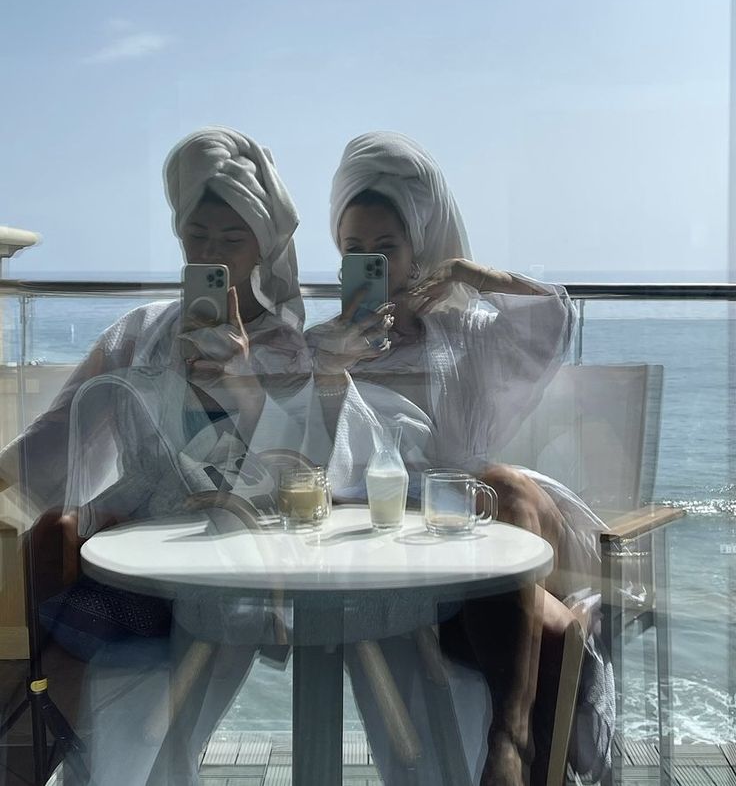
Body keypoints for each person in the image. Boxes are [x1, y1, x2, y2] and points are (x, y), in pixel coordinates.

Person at [0, 126, 314, 785]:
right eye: (198, 236)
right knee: (48, 579)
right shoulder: (140, 332)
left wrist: (243, 385)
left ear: (265, 248)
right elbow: (59, 432)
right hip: (128, 551)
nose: (212, 252)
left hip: (226, 566)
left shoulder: (288, 354)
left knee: (58, 673)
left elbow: (296, 474)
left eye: (232, 239)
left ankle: (34, 757)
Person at [306, 131, 613, 786]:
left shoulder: (462, 331)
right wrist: (333, 374)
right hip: (413, 553)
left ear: (419, 250)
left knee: (499, 483)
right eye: (354, 250)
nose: (371, 263)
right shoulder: (323, 348)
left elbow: (551, 317)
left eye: (387, 247)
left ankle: (505, 744)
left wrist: (467, 275)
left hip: (494, 519)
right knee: (557, 634)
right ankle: (525, 743)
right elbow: (311, 469)